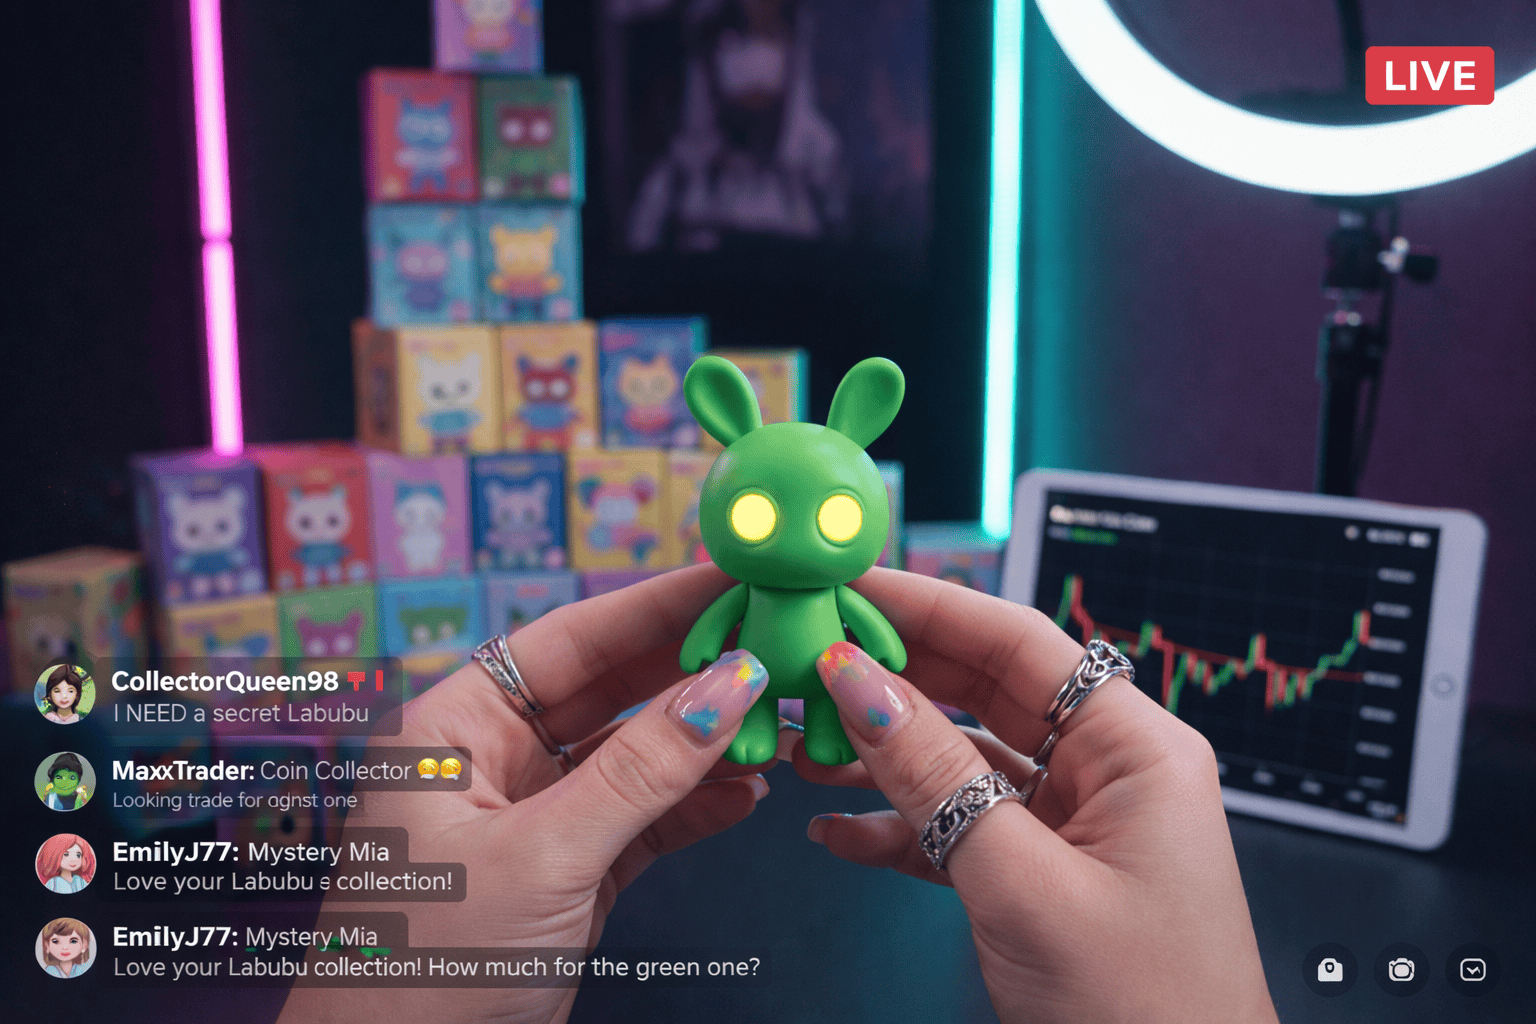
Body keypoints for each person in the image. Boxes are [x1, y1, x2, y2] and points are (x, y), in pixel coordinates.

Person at [280, 564, 1278, 1024]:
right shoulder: (743, 591)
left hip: (838, 704)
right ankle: (756, 724)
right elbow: (707, 635)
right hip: (754, 707)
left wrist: (893, 699)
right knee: (751, 724)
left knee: (828, 716)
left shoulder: (839, 602)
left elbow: (879, 646)